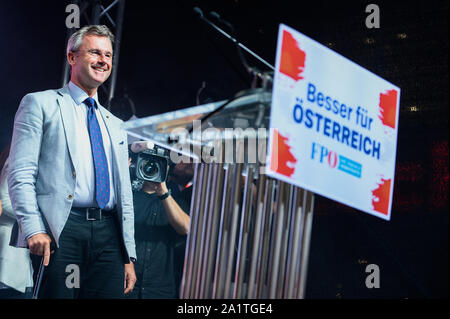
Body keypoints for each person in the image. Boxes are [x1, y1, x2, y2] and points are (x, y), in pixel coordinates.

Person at [7, 25, 136, 298]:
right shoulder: (40, 103)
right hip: (61, 230)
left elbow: (125, 194)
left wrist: (128, 254)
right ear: (72, 57)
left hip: (108, 232)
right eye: (95, 52)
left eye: (108, 55)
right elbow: (21, 172)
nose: (103, 60)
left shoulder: (116, 125)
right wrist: (33, 229)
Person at [126, 163, 191, 299]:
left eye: (158, 164)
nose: (153, 168)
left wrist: (163, 191)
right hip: (128, 283)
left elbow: (186, 228)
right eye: (148, 164)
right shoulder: (128, 199)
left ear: (167, 168)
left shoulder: (177, 203)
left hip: (160, 288)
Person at [0, 158, 34, 299]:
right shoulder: (16, 159)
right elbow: (4, 200)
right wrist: (36, 218)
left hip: (28, 248)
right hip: (11, 244)